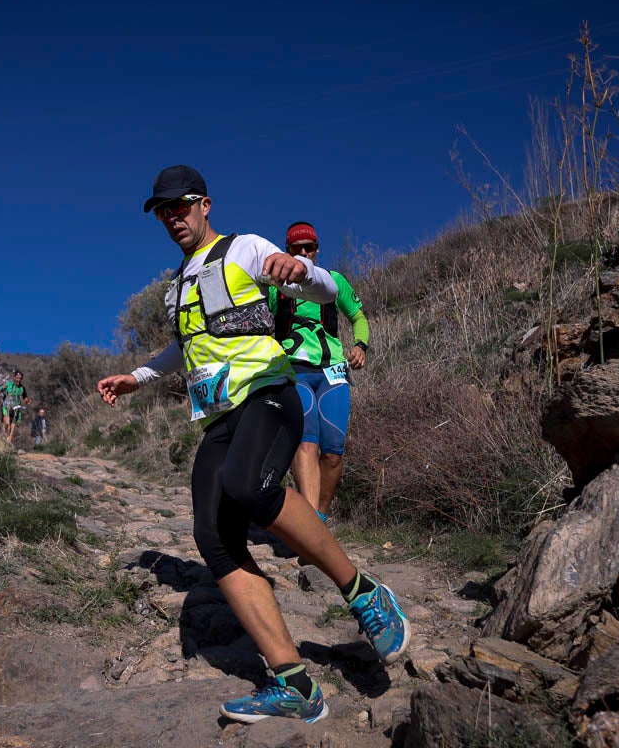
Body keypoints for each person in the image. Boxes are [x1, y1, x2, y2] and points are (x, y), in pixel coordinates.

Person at [97, 165, 409, 724]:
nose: (172, 217)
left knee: (249, 486)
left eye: (181, 205)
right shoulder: (176, 286)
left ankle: (364, 593)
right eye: (163, 211)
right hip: (220, 418)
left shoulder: (245, 249)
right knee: (213, 538)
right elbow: (184, 346)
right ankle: (294, 683)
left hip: (268, 394)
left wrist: (302, 269)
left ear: (205, 204)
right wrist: (137, 378)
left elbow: (322, 288)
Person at [270, 222, 369, 522]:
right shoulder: (275, 286)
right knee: (306, 443)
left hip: (333, 373)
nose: (303, 252)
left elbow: (358, 317)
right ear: (287, 251)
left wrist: (360, 346)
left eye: (308, 247)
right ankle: (310, 523)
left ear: (317, 249)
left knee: (333, 453)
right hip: (293, 371)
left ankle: (320, 519)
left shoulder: (334, 281)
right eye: (296, 248)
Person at [0, 369, 31, 445]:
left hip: (16, 408)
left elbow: (25, 397)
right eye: (17, 377)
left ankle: (9, 440)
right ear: (14, 377)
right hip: (6, 406)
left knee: (13, 425)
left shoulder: (22, 388)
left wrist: (27, 401)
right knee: (6, 423)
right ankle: (1, 438)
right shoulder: (8, 384)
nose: (18, 379)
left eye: (20, 378)